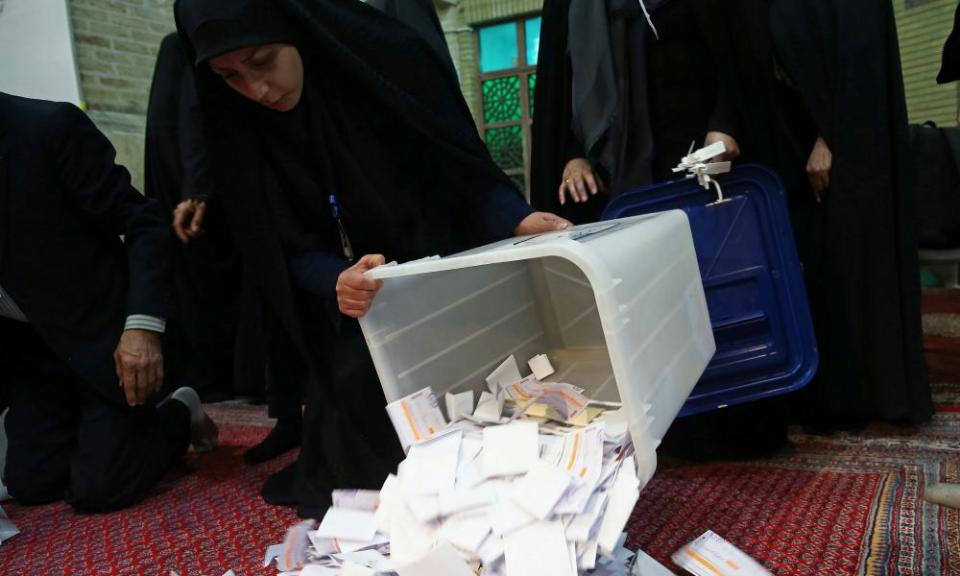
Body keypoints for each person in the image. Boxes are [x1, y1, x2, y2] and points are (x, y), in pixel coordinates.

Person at [173, 0, 571, 517]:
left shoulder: (386, 66)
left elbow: (454, 165)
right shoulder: (241, 124)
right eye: (230, 76)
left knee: (495, 441)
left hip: (440, 277)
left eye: (264, 61)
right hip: (359, 308)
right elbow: (278, 244)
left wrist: (515, 216)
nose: (257, 89)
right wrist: (335, 279)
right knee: (362, 478)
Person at [0, 92, 218, 513]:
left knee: (98, 489)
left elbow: (145, 223)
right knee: (31, 484)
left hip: (108, 339)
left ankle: (178, 411)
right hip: (35, 352)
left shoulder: (46, 128)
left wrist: (142, 326)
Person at [729, 0, 933, 429]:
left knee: (857, 265)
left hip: (845, 141)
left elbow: (857, 57)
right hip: (795, 138)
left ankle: (862, 397)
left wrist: (831, 136)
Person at [146, 34, 301, 465]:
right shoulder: (185, 46)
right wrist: (197, 187)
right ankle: (289, 416)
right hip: (230, 192)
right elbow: (193, 116)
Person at [530, 0, 741, 224]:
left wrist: (725, 124)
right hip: (618, 187)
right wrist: (574, 154)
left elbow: (738, 44)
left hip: (706, 166)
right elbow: (563, 85)